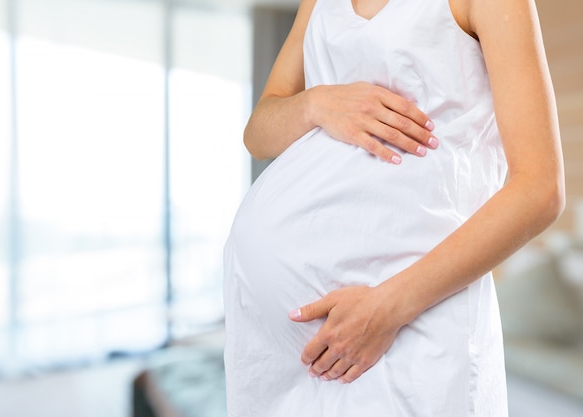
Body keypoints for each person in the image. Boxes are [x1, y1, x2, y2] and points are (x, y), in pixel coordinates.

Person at [223, 0, 565, 415]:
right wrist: (316, 104)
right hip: (279, 357)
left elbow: (541, 189)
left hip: (409, 321)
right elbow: (258, 134)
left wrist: (386, 309)